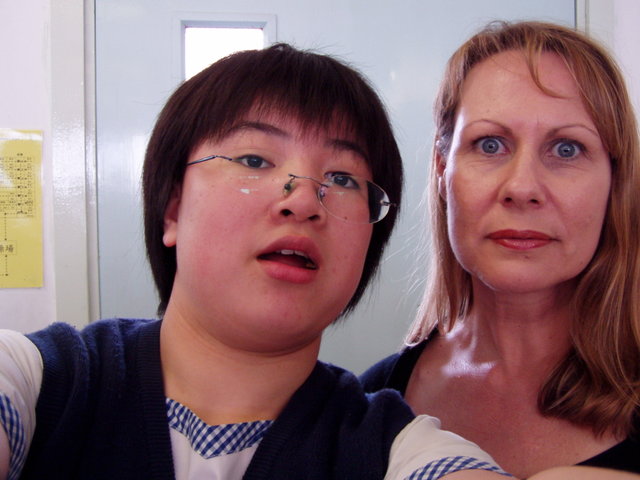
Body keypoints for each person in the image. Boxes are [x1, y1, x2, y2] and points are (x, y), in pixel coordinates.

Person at [0, 42, 518, 480]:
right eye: (254, 160)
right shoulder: (44, 381)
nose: (305, 200)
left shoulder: (392, 448)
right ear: (173, 209)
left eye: (342, 178)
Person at [361, 20, 640, 478]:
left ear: (615, 180)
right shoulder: (371, 407)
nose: (522, 188)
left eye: (567, 149)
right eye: (489, 145)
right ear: (442, 171)